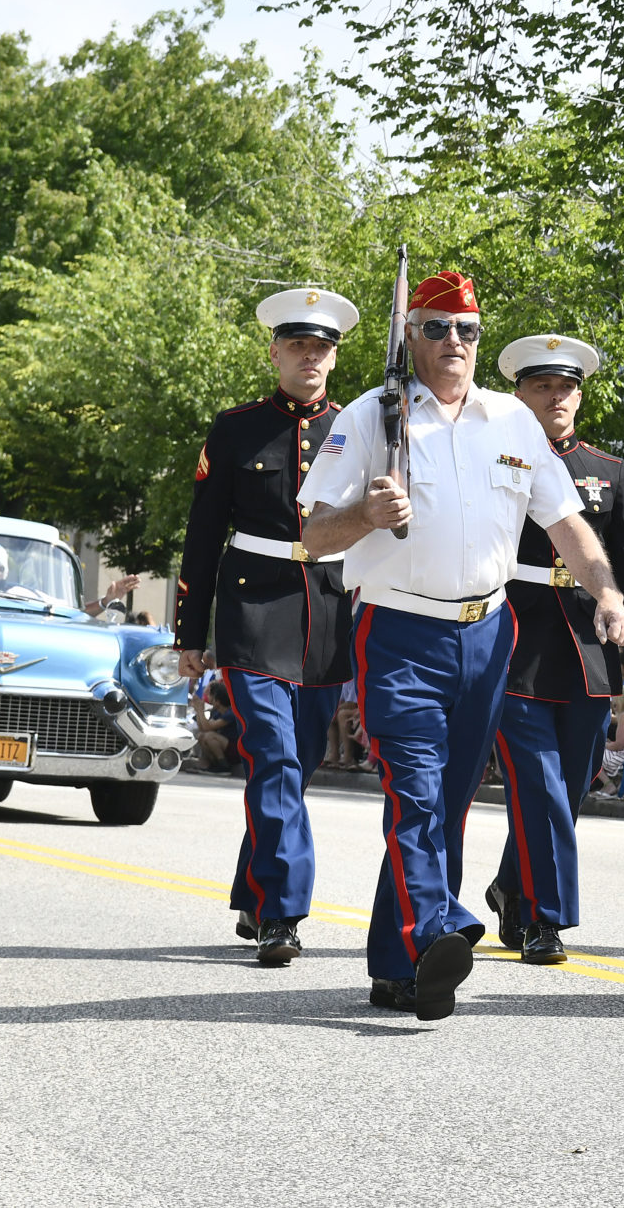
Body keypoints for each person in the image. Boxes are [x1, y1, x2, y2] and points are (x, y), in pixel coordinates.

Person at [299, 270, 624, 1022]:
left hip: (487, 632)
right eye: (437, 328)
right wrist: (363, 512)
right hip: (400, 630)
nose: (455, 342)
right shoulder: (369, 417)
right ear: (410, 335)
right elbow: (313, 535)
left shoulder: (513, 423)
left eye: (468, 330)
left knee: (447, 803)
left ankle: (398, 964)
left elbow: (567, 524)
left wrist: (607, 592)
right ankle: (440, 926)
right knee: (414, 793)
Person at [171, 287, 361, 966]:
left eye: (323, 347)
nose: (311, 356)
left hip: (327, 609)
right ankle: (283, 911)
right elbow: (201, 536)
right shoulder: (235, 428)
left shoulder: (362, 426)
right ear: (276, 351)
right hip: (252, 609)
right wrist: (190, 635)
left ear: (334, 358)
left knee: (297, 763)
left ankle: (255, 887)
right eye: (299, 345)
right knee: (274, 757)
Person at [481, 335, 624, 966]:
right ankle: (544, 920)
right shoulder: (495, 459)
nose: (555, 398)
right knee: (540, 783)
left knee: (573, 780)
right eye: (540, 387)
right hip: (516, 636)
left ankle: (510, 886)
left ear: (579, 395)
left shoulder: (608, 471)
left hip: (590, 641)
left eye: (565, 387)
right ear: (519, 394)